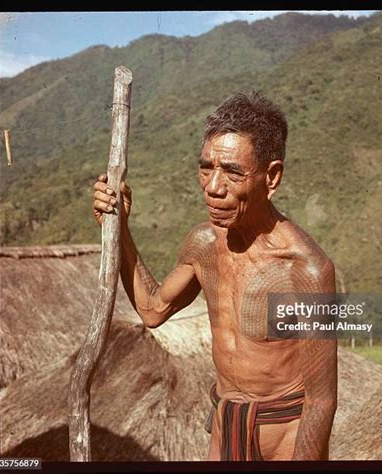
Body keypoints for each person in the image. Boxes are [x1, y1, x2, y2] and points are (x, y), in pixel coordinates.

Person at [92, 91, 337, 461]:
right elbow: (152, 311)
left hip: (282, 436)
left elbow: (321, 400)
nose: (213, 187)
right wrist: (120, 227)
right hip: (225, 430)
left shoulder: (306, 269)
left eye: (233, 172)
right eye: (206, 168)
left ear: (271, 177)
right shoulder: (203, 244)